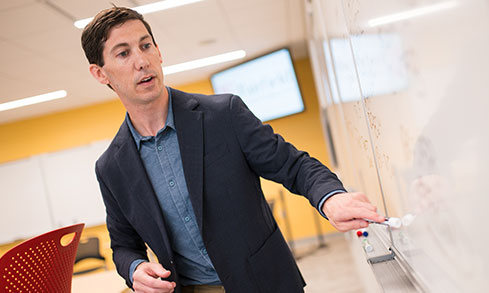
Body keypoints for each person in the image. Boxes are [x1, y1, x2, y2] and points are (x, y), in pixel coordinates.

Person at [81, 6, 384, 293]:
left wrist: (330, 198)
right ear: (100, 74)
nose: (142, 61)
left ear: (159, 52)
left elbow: (294, 165)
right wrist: (134, 268)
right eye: (123, 53)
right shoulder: (111, 167)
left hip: (264, 281)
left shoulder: (223, 114)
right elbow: (122, 244)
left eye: (146, 46)